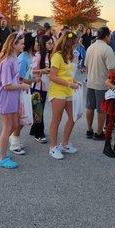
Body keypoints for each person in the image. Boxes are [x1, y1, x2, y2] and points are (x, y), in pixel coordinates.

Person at [0, 32, 30, 169]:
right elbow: (6, 85)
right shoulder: (7, 62)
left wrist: (21, 82)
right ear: (13, 45)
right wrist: (22, 85)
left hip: (11, 98)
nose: (23, 45)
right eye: (21, 43)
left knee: (13, 125)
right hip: (6, 98)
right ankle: (2, 157)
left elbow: (13, 79)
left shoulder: (14, 58)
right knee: (8, 127)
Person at [48, 31, 81, 160]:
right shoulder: (57, 56)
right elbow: (52, 76)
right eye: (74, 43)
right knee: (57, 119)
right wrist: (69, 83)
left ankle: (64, 144)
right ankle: (53, 147)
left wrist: (73, 82)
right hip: (58, 92)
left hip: (68, 90)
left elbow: (68, 74)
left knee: (73, 117)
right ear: (68, 43)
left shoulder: (70, 55)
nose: (75, 45)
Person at [8, 33, 42, 155]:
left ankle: (14, 138)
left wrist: (36, 74)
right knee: (21, 118)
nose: (38, 44)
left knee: (24, 117)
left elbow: (28, 72)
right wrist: (33, 80)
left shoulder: (28, 56)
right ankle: (14, 142)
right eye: (36, 42)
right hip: (20, 91)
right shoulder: (23, 58)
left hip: (26, 90)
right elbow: (20, 78)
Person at [85, 27, 115, 140]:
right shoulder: (107, 49)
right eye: (110, 36)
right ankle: (99, 133)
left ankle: (89, 130)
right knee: (101, 110)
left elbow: (86, 66)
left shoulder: (90, 47)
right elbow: (112, 69)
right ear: (107, 36)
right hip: (102, 84)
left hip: (90, 82)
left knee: (89, 107)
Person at [30, 35, 53, 143]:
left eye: (52, 43)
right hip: (36, 88)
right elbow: (30, 71)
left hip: (44, 87)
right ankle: (39, 133)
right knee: (38, 111)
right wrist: (41, 71)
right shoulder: (38, 56)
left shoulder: (48, 55)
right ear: (43, 44)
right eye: (49, 43)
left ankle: (35, 130)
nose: (51, 45)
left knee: (39, 110)